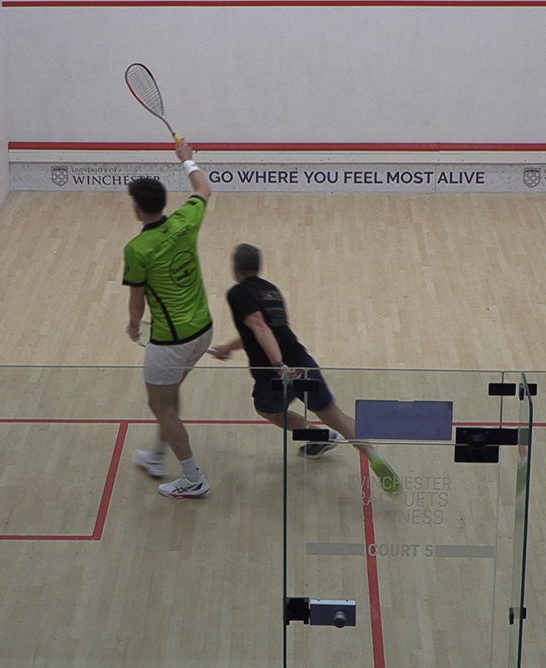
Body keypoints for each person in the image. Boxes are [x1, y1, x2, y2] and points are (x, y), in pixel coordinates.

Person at [210, 244, 400, 494]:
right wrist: (228, 347)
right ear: (258, 267)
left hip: (275, 376)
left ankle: (319, 437)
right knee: (335, 415)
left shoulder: (237, 293)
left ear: (235, 268)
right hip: (304, 363)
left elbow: (260, 327)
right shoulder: (271, 291)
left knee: (269, 411)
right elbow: (266, 332)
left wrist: (279, 366)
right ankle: (372, 455)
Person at [123, 139, 214, 499]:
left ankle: (192, 478)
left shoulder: (137, 249)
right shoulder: (185, 219)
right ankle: (157, 457)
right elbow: (203, 189)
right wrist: (187, 160)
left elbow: (137, 300)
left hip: (171, 342)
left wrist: (134, 326)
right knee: (170, 395)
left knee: (160, 405)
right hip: (203, 331)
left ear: (136, 208)